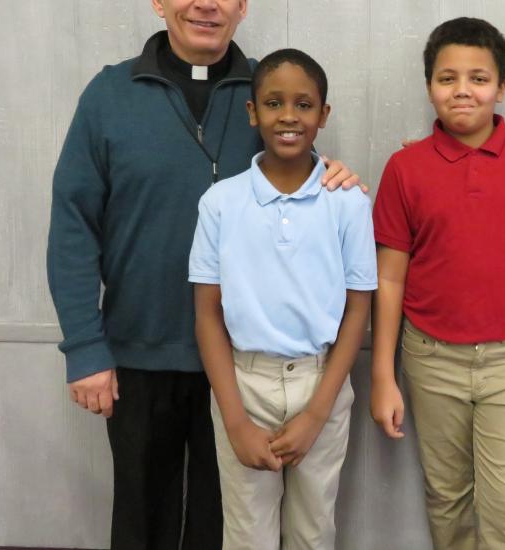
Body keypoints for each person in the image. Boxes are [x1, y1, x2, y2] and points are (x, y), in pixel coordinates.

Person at [46, 1, 359, 547]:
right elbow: (73, 226)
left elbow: (299, 176)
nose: (206, 3)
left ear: (242, 6)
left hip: (243, 368)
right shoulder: (109, 96)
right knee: (145, 520)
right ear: (159, 2)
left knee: (229, 526)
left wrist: (336, 173)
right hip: (141, 353)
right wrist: (84, 346)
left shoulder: (270, 88)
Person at [370, 17, 505, 550]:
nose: (462, 90)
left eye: (478, 78)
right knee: (448, 501)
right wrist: (382, 375)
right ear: (429, 87)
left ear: (502, 87)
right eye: (447, 78)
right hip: (429, 358)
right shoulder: (405, 167)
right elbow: (389, 277)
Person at [189, 48, 375, 550]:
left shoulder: (349, 202)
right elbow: (207, 314)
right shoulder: (221, 203)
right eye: (273, 103)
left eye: (303, 104)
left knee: (313, 531)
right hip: (243, 381)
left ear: (323, 115)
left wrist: (317, 412)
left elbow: (359, 308)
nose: (288, 116)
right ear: (253, 112)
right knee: (248, 534)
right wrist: (234, 419)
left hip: (323, 381)